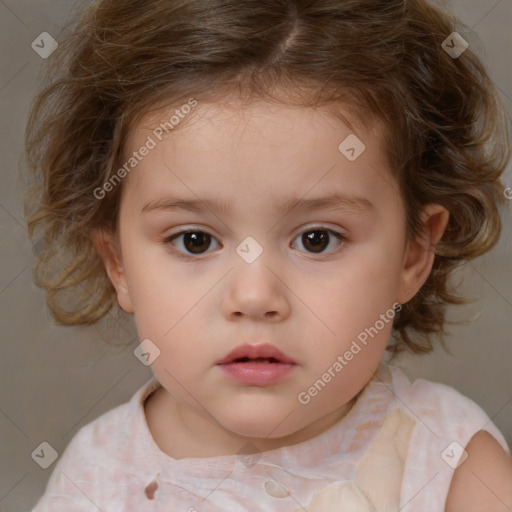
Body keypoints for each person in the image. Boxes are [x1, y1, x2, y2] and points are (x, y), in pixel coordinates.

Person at [24, 0, 512, 510]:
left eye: (317, 239)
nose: (254, 296)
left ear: (414, 252)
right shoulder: (97, 480)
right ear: (118, 262)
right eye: (195, 240)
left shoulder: (447, 465)